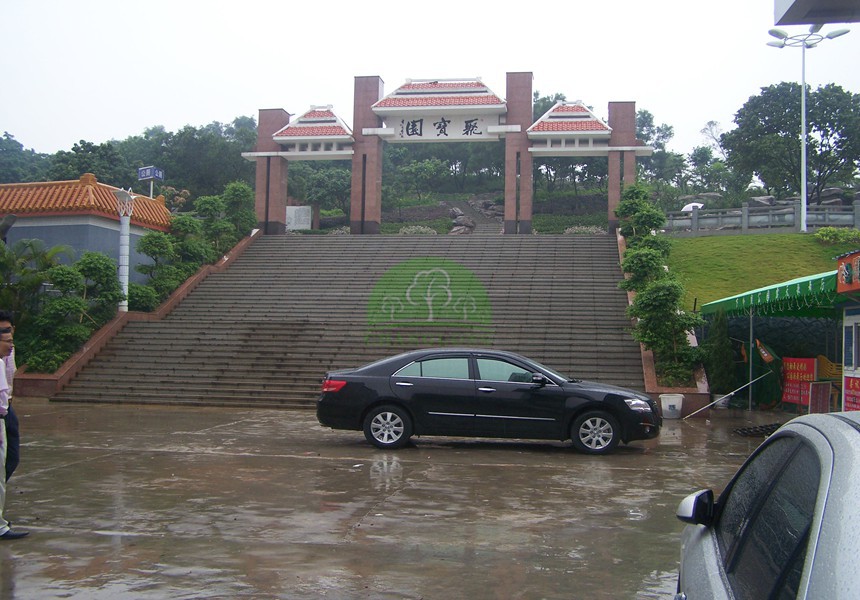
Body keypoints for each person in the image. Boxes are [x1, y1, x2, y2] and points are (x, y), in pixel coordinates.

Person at [1, 328, 28, 539]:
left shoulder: (5, 360)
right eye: (7, 340)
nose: (11, 345)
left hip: (6, 413)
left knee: (10, 461)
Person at [0, 310, 19, 482]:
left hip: (7, 408)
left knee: (12, 456)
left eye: (8, 329)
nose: (6, 333)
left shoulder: (10, 350)